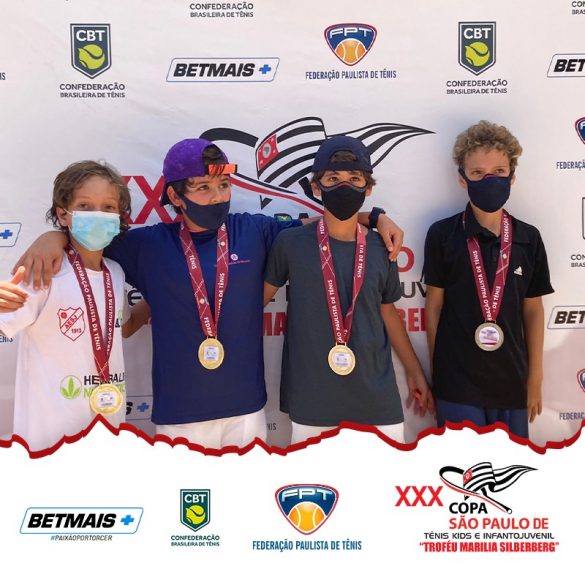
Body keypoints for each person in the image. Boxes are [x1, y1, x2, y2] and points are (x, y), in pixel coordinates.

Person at [13, 138, 405, 449]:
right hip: (180, 414)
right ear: (175, 197)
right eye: (202, 188)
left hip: (246, 411)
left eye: (223, 186)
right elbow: (90, 241)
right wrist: (53, 237)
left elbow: (324, 225)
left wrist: (375, 216)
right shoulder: (147, 245)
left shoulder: (255, 231)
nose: (217, 196)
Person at [263, 136, 432, 444]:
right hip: (312, 401)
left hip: (377, 401)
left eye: (354, 179)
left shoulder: (382, 246)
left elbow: (388, 313)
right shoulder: (290, 244)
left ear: (368, 188)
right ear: (316, 187)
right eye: (332, 179)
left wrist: (415, 371)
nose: (344, 186)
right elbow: (254, 304)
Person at [423, 120, 554, 439]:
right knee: (462, 467)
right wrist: (438, 372)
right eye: (478, 173)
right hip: (457, 384)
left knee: (510, 468)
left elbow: (533, 310)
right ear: (462, 179)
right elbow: (434, 307)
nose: (489, 180)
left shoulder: (528, 238)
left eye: (498, 171)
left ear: (512, 176)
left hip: (512, 382)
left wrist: (535, 378)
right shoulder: (442, 234)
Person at [0, 161, 137, 452]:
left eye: (108, 207)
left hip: (107, 433)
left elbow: (124, 326)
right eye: (85, 206)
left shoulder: (115, 272)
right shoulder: (44, 270)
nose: (98, 214)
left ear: (119, 217)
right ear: (63, 214)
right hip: (49, 442)